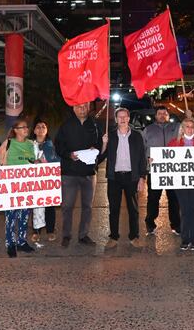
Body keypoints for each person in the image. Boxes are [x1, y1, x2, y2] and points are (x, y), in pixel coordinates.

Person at [54, 102, 105, 248]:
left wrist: (97, 149)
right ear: (74, 108)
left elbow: (101, 147)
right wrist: (68, 155)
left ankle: (83, 235)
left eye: (85, 106)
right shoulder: (66, 126)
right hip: (69, 173)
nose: (82, 109)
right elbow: (59, 146)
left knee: (87, 206)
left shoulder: (95, 125)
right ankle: (66, 235)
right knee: (67, 206)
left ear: (88, 108)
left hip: (89, 173)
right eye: (79, 107)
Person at [99, 108, 147, 249]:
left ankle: (134, 236)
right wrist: (104, 144)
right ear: (116, 119)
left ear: (128, 118)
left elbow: (142, 158)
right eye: (119, 117)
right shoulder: (110, 136)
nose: (122, 119)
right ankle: (113, 237)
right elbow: (100, 157)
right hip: (114, 177)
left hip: (132, 177)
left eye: (125, 116)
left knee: (133, 209)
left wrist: (142, 177)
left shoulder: (137, 136)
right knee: (114, 209)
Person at [0, 119, 37, 258]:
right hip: (11, 186)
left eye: (27, 126)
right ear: (15, 130)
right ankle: (10, 243)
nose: (26, 129)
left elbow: (34, 161)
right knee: (11, 216)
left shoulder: (31, 144)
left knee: (24, 215)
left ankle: (22, 241)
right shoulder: (8, 143)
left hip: (26, 185)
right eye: (22, 127)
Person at [168, 117, 194, 251]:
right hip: (179, 182)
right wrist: (154, 161)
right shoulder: (174, 143)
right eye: (187, 126)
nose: (190, 129)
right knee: (184, 210)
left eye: (192, 126)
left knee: (192, 209)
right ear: (182, 128)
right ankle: (185, 239)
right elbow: (166, 161)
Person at [143, 106, 181, 236]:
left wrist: (189, 117)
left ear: (168, 116)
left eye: (165, 113)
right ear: (155, 116)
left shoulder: (177, 128)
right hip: (155, 171)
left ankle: (176, 225)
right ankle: (150, 223)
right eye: (160, 113)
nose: (162, 115)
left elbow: (190, 129)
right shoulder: (148, 130)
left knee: (174, 199)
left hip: (172, 170)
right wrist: (146, 160)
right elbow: (143, 148)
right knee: (153, 198)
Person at [31, 120, 60, 245]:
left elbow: (58, 160)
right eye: (38, 127)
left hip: (48, 180)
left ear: (47, 130)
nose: (41, 129)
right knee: (35, 205)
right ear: (34, 130)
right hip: (33, 180)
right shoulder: (29, 145)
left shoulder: (52, 146)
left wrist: (45, 162)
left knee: (49, 205)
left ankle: (50, 230)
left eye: (43, 127)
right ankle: (36, 231)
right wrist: (33, 162)